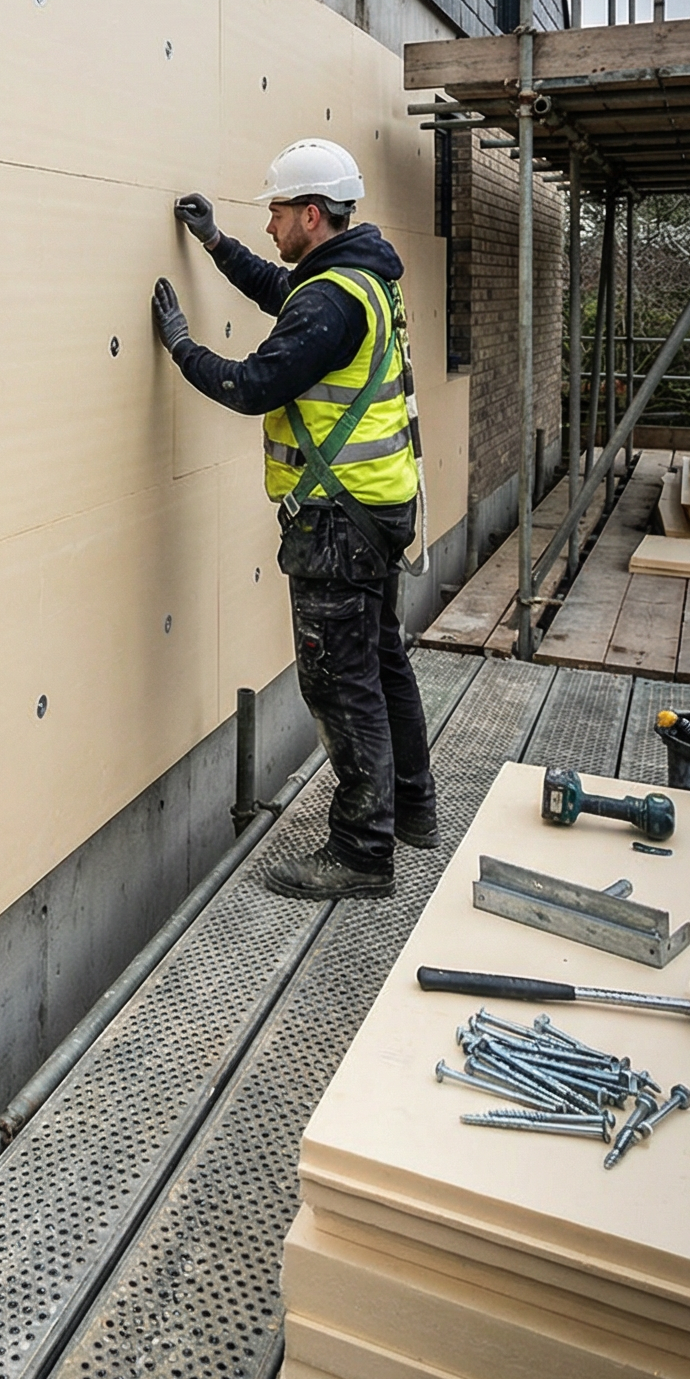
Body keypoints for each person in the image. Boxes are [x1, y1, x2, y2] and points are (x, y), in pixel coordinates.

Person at [151, 138, 435, 900]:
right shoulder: (362, 280)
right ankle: (413, 808)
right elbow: (284, 291)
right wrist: (216, 244)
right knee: (381, 663)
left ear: (312, 214)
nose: (269, 222)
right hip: (380, 507)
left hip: (339, 525)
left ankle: (362, 853)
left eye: (277, 211)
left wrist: (181, 349)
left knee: (341, 684)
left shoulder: (331, 299)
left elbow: (252, 386)